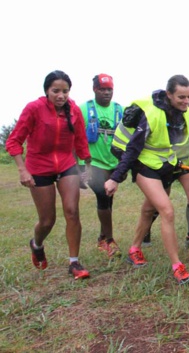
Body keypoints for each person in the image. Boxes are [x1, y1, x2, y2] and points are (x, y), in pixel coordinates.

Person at [105, 75, 189, 285]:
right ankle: (177, 267)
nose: (186, 101)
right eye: (181, 97)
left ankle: (134, 249)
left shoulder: (183, 112)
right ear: (169, 94)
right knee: (167, 210)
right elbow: (132, 149)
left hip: (164, 165)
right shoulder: (153, 114)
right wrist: (115, 178)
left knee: (149, 209)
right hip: (144, 165)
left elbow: (175, 142)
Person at [6, 70, 92, 280]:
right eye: (56, 91)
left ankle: (74, 262)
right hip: (39, 167)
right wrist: (22, 169)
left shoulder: (74, 111)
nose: (61, 96)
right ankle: (37, 244)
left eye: (65, 91)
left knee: (72, 211)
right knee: (47, 220)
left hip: (66, 165)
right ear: (47, 91)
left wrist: (86, 166)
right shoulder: (34, 109)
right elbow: (14, 141)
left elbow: (80, 140)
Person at [143, 83, 189, 249]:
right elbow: (174, 139)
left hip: (187, 162)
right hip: (167, 163)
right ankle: (144, 233)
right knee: (158, 202)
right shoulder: (174, 116)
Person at [78, 73, 124, 259]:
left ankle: (101, 238)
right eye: (102, 89)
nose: (106, 93)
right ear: (94, 89)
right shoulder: (84, 109)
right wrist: (80, 165)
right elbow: (76, 137)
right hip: (91, 162)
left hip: (112, 162)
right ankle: (110, 241)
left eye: (109, 89)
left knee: (109, 200)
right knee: (103, 195)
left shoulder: (119, 109)